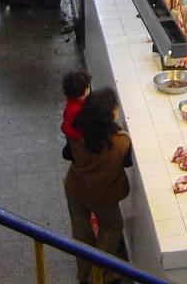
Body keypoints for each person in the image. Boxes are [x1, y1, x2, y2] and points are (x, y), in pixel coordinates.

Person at [64, 88, 132, 284]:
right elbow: (127, 163)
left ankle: (83, 274)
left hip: (75, 187)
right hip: (103, 195)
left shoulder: (78, 131)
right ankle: (96, 274)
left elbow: (67, 154)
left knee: (81, 229)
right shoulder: (121, 141)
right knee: (112, 228)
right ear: (111, 114)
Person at [61, 70, 91, 160]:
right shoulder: (74, 108)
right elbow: (65, 127)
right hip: (76, 140)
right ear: (85, 91)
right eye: (88, 86)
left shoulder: (74, 102)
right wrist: (81, 136)